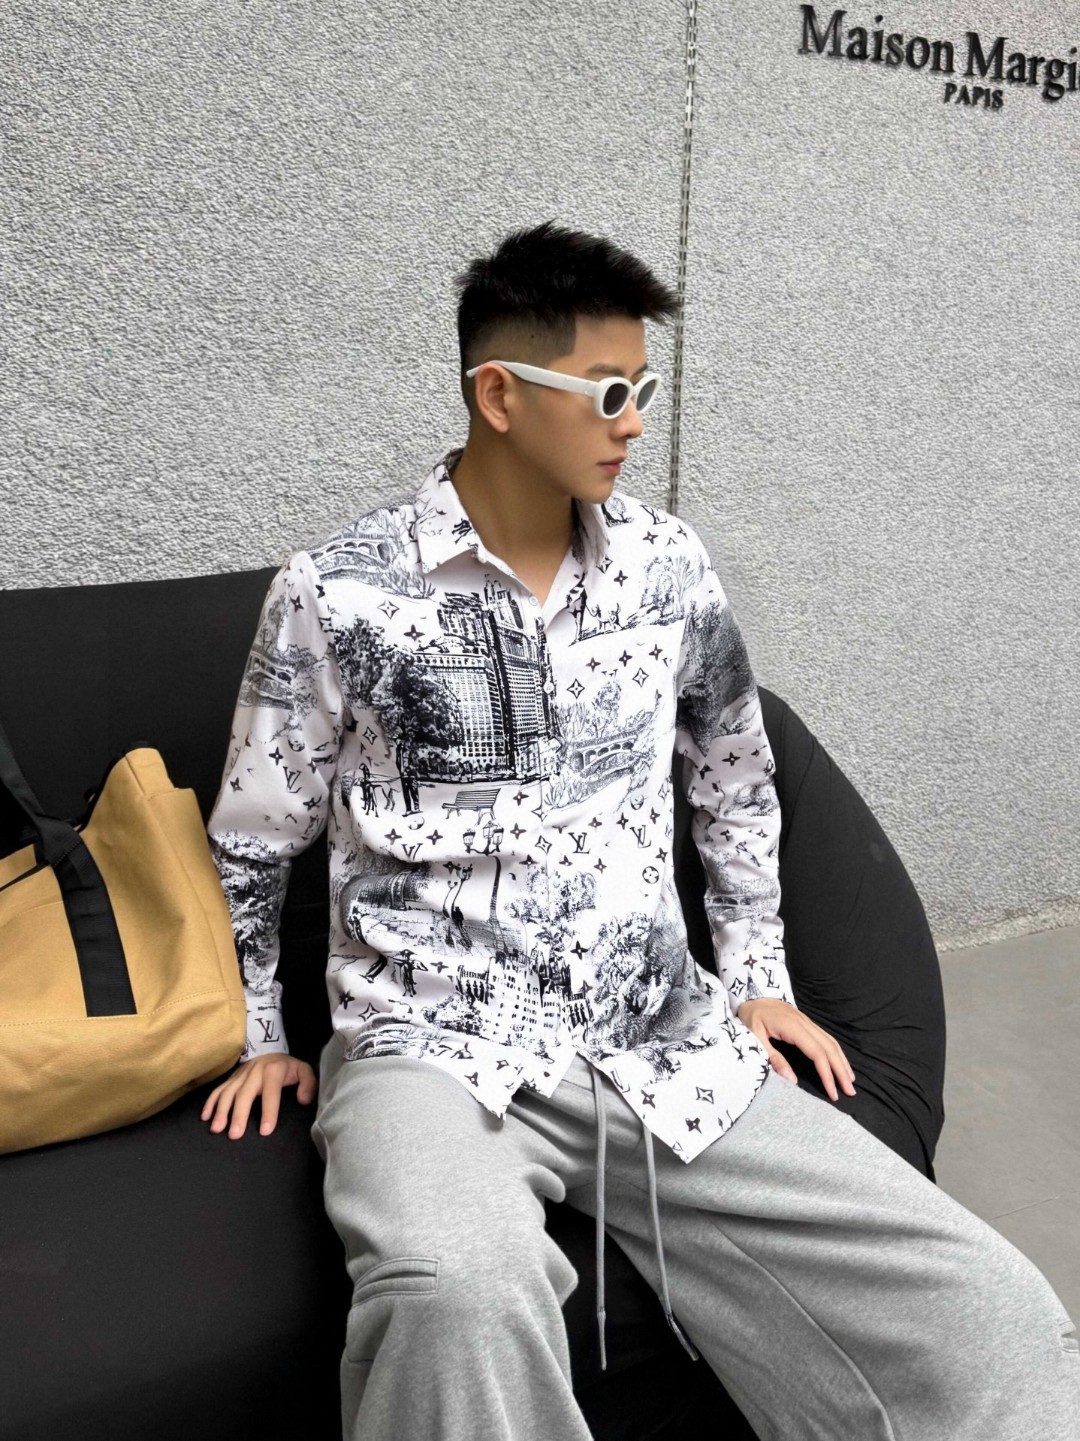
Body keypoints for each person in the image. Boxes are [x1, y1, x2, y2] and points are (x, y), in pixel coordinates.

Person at [202, 221, 1080, 1440]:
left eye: (645, 391)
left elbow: (734, 771)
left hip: (657, 1033)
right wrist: (258, 1031)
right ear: (499, 395)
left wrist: (758, 975)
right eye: (610, 393)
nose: (634, 424)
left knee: (991, 1308)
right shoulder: (338, 591)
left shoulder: (668, 567)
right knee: (458, 1292)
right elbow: (256, 835)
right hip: (430, 1044)